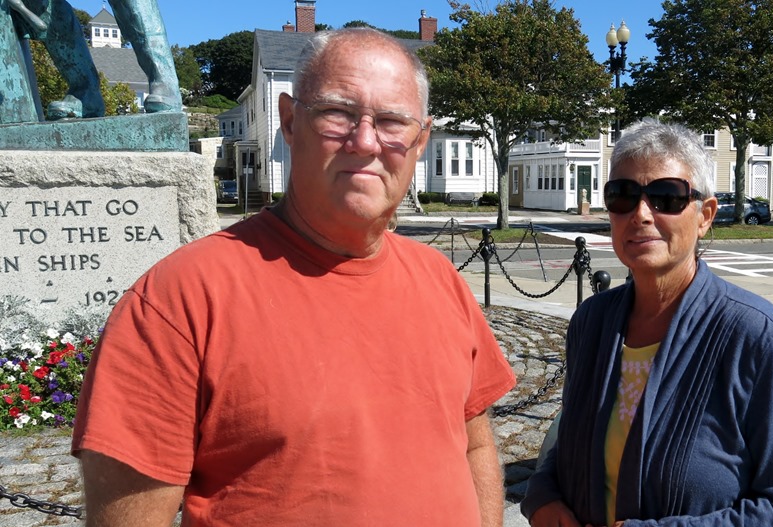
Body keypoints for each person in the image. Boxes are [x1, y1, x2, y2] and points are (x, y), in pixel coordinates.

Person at [72, 28, 516, 526]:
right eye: (337, 113)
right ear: (289, 121)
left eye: (392, 121)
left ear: (421, 140)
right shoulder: (179, 299)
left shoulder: (439, 278)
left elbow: (475, 445)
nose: (365, 141)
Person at [521, 119, 773, 526]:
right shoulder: (591, 322)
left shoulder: (753, 335)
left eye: (667, 197)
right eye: (623, 195)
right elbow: (573, 440)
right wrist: (543, 496)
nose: (641, 214)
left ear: (705, 216)